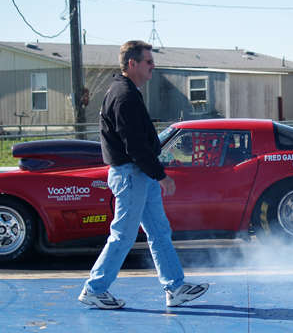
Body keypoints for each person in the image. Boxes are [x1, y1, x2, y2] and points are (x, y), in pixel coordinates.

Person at [79, 40, 209, 310]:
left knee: (159, 231)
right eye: (148, 62)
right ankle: (94, 289)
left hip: (139, 175)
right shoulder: (123, 95)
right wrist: (160, 175)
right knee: (124, 235)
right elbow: (135, 144)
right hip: (131, 175)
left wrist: (153, 174)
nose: (153, 66)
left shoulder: (128, 92)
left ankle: (175, 287)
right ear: (132, 64)